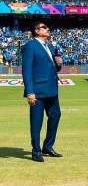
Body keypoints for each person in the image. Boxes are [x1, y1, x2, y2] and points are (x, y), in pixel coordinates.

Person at [22, 22, 63, 162]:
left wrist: (59, 64)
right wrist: (30, 92)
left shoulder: (50, 46)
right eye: (45, 27)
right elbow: (26, 71)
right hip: (37, 92)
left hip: (52, 90)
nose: (48, 29)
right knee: (36, 122)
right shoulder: (30, 46)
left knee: (56, 115)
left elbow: (53, 69)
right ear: (37, 31)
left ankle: (48, 147)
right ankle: (36, 151)